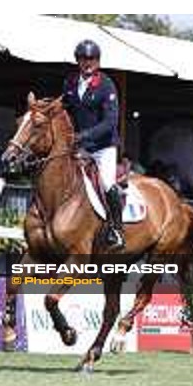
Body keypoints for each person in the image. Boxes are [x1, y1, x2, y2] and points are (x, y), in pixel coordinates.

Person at [62, 39, 125, 249]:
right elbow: (66, 111)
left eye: (91, 59)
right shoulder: (70, 83)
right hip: (79, 145)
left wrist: (83, 136)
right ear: (77, 61)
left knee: (107, 183)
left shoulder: (106, 85)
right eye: (83, 59)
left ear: (97, 61)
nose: (87, 62)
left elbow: (110, 122)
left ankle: (116, 230)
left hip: (103, 147)